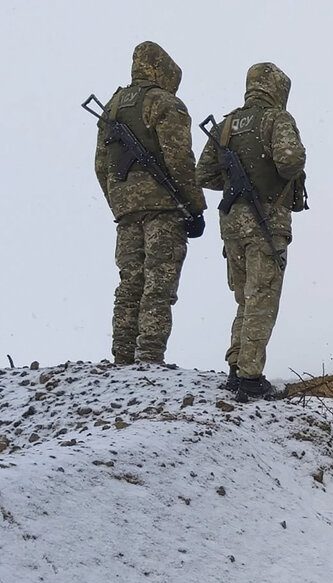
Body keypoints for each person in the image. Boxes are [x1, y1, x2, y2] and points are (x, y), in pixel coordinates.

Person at [196, 62, 307, 401]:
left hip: (232, 225)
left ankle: (237, 366)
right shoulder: (276, 119)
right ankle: (250, 377)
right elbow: (290, 160)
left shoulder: (227, 125)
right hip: (266, 221)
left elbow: (203, 174)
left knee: (245, 297)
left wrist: (236, 186)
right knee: (263, 298)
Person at [94, 41, 206, 365]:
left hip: (128, 214)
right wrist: (195, 206)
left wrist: (121, 201)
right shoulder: (164, 103)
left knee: (130, 283)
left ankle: (122, 357)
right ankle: (150, 358)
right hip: (164, 209)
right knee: (158, 284)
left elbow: (101, 167)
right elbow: (180, 159)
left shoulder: (111, 108)